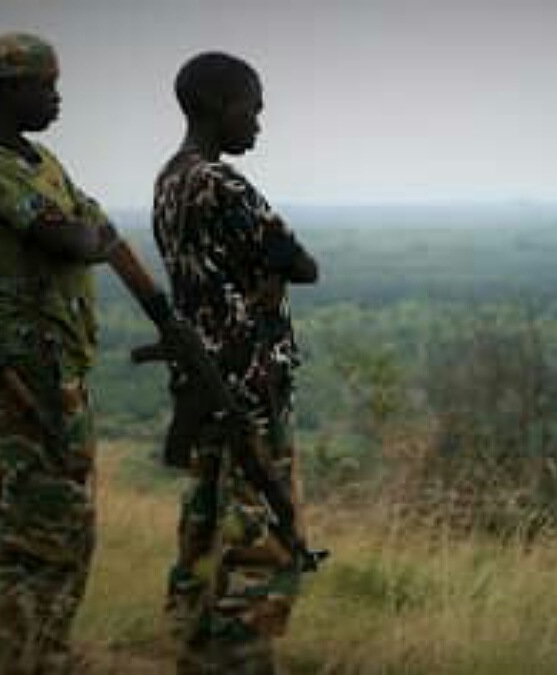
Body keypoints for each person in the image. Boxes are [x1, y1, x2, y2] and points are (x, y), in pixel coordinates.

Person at [0, 32, 119, 674]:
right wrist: (84, 234)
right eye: (44, 85)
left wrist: (86, 232)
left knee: (68, 516)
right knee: (39, 520)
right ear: (5, 89)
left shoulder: (39, 157)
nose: (55, 98)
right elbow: (72, 236)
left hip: (63, 362)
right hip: (31, 364)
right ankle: (26, 652)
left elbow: (92, 222)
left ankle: (42, 647)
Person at [152, 52, 318, 674]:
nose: (259, 121)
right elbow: (302, 263)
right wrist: (273, 275)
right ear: (218, 106)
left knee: (201, 531)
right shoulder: (222, 183)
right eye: (252, 107)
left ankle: (191, 653)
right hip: (249, 386)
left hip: (202, 386)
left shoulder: (168, 181)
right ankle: (241, 660)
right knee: (262, 541)